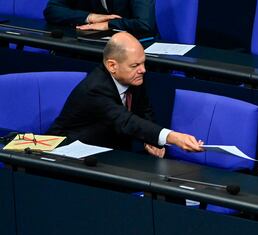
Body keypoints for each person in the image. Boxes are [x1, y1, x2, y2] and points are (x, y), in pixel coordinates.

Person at [47, 32, 203, 156]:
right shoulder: (96, 88)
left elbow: (144, 112)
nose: (143, 70)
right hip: (68, 154)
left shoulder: (133, 77)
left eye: (143, 63)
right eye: (135, 65)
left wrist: (153, 143)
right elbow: (126, 121)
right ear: (112, 66)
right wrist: (173, 137)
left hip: (109, 149)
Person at [43, 0, 156, 35]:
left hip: (133, 49)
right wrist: (90, 17)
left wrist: (108, 24)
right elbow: (52, 10)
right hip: (91, 47)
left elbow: (144, 24)